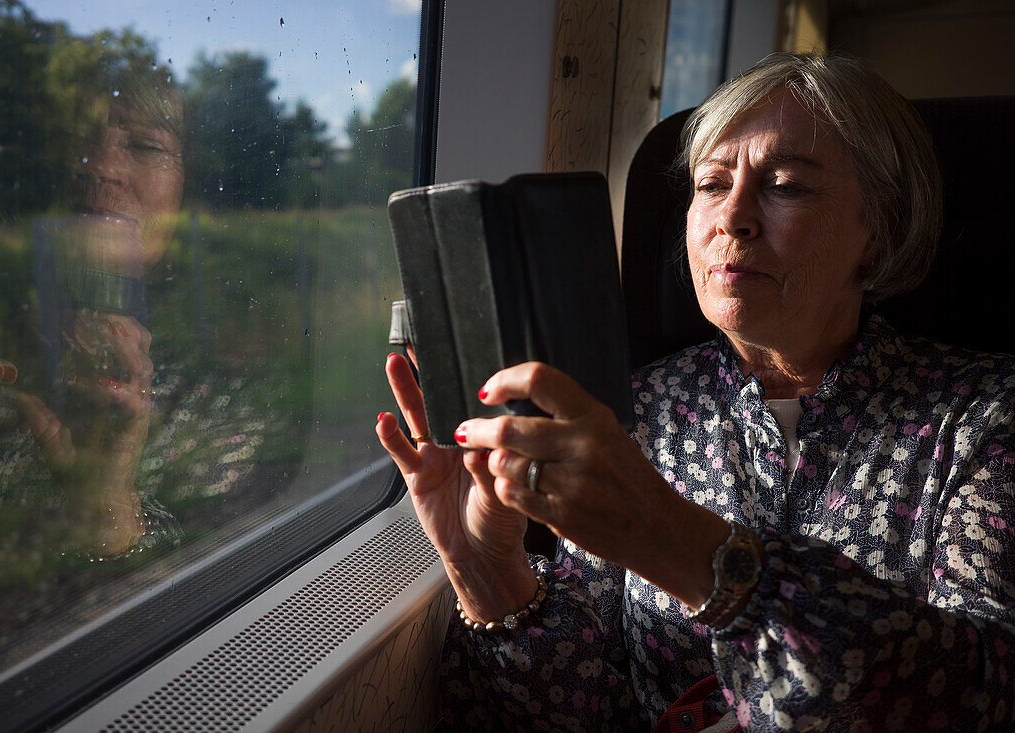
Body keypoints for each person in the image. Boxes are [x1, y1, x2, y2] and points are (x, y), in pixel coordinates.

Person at [375, 53, 1015, 731]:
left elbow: (988, 692)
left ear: (878, 230)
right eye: (711, 183)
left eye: (787, 185)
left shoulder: (985, 414)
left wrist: (684, 546)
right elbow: (581, 709)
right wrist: (489, 570)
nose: (732, 217)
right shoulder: (633, 411)